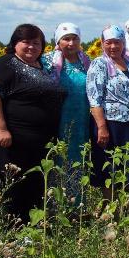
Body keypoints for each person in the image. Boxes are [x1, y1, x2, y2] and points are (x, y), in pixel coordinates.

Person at [0, 24, 66, 224]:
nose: (31, 47)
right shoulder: (6, 63)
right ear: (15, 43)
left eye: (36, 43)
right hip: (9, 138)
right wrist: (1, 129)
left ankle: (31, 227)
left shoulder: (42, 67)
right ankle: (11, 229)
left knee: (34, 182)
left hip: (36, 141)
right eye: (25, 42)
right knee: (14, 183)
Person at [86, 25, 129, 198]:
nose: (113, 47)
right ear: (102, 43)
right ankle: (110, 208)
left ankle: (125, 206)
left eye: (117, 42)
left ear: (123, 43)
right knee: (108, 165)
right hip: (109, 123)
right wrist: (102, 127)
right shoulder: (99, 64)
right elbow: (94, 97)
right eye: (109, 42)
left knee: (128, 164)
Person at [43, 22, 91, 203]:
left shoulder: (85, 61)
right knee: (57, 158)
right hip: (57, 119)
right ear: (58, 41)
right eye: (66, 39)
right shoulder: (48, 61)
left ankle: (76, 203)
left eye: (74, 38)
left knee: (79, 158)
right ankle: (55, 204)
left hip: (81, 120)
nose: (71, 43)